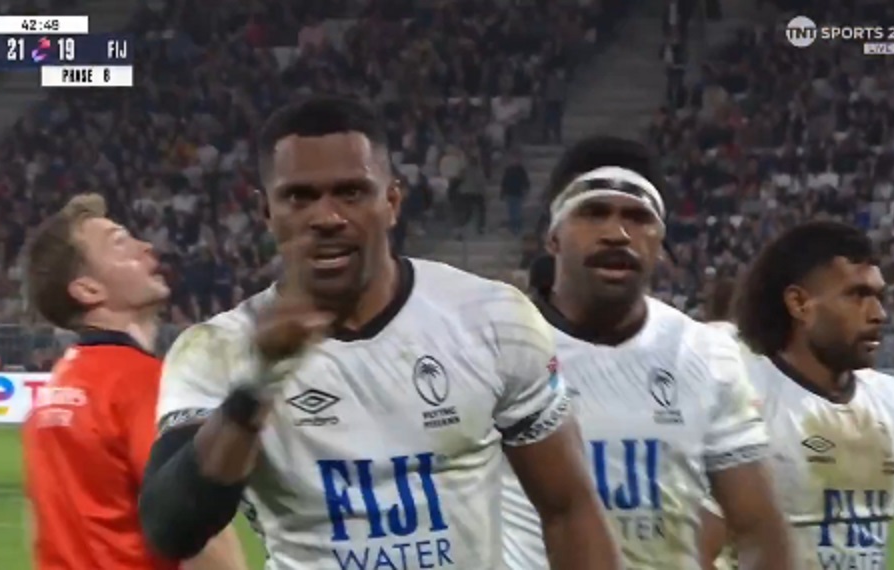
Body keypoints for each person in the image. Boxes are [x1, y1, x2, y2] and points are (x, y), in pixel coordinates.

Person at [137, 95, 620, 569]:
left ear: (392, 201)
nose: (327, 217)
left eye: (351, 192)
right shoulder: (217, 349)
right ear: (267, 213)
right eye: (299, 197)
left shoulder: (491, 317)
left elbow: (568, 508)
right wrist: (257, 384)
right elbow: (171, 527)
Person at [501, 135, 795, 570]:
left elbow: (760, 530)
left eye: (638, 218)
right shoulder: (499, 350)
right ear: (553, 238)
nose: (617, 234)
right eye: (594, 212)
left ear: (661, 244)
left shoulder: (705, 353)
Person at [21, 194, 244, 570]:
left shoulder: (55, 390)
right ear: (89, 290)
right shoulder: (140, 382)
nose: (146, 247)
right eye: (120, 243)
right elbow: (193, 523)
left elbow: (37, 528)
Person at [702, 221, 894, 570]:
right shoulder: (745, 405)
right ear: (799, 304)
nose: (878, 314)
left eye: (878, 296)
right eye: (857, 295)